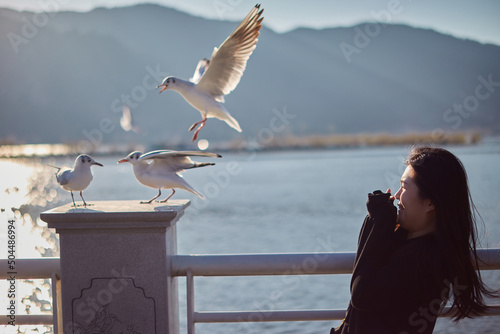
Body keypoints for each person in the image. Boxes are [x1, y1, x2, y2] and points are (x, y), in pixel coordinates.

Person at [331, 146, 496, 334]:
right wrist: (379, 223)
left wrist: (376, 221)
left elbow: (361, 295)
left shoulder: (425, 261)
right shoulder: (408, 241)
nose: (397, 196)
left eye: (404, 187)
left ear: (430, 202)